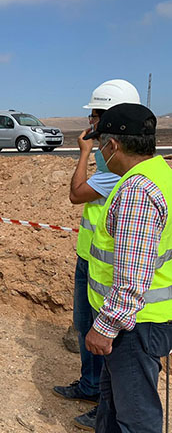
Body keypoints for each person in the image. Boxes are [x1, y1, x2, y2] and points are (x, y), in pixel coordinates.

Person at [53, 79, 141, 430]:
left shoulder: (115, 174)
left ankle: (102, 402)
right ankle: (91, 388)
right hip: (90, 256)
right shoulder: (112, 167)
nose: (89, 125)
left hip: (106, 268)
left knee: (103, 338)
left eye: (94, 118)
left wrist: (84, 153)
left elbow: (76, 194)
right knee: (84, 325)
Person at [82, 103, 171, 433]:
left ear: (113, 145)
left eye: (100, 144)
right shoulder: (161, 175)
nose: (98, 152)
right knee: (114, 402)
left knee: (136, 417)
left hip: (134, 326)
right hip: (143, 321)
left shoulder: (137, 190)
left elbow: (131, 274)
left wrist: (106, 325)